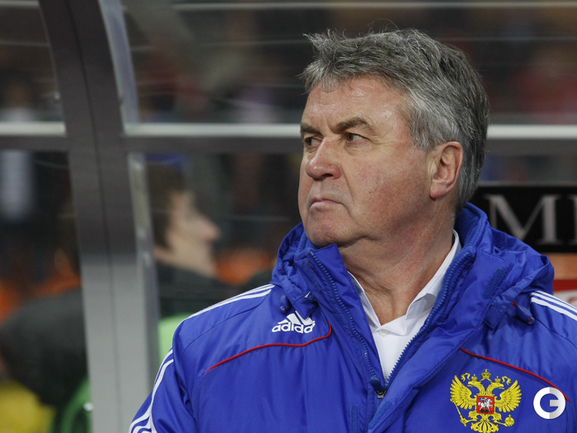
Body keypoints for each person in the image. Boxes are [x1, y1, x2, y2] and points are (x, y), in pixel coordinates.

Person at [130, 29, 577, 433]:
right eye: (311, 140)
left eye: (353, 138)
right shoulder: (206, 350)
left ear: (442, 168)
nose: (316, 164)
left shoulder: (564, 353)